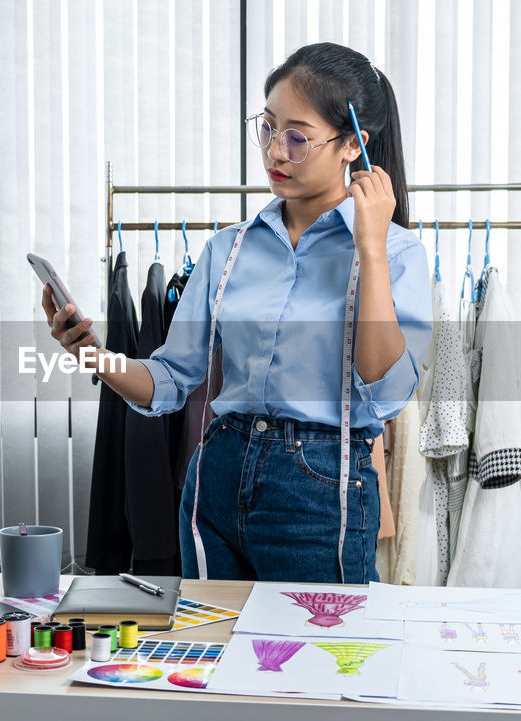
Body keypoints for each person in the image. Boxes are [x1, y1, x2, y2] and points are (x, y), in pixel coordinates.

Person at [42, 42, 432, 583]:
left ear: (353, 147)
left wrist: (368, 246)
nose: (275, 151)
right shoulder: (227, 250)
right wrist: (92, 356)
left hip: (321, 492)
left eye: (297, 137)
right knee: (210, 651)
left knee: (317, 659)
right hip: (216, 480)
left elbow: (386, 394)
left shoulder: (395, 253)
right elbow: (170, 381)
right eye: (268, 128)